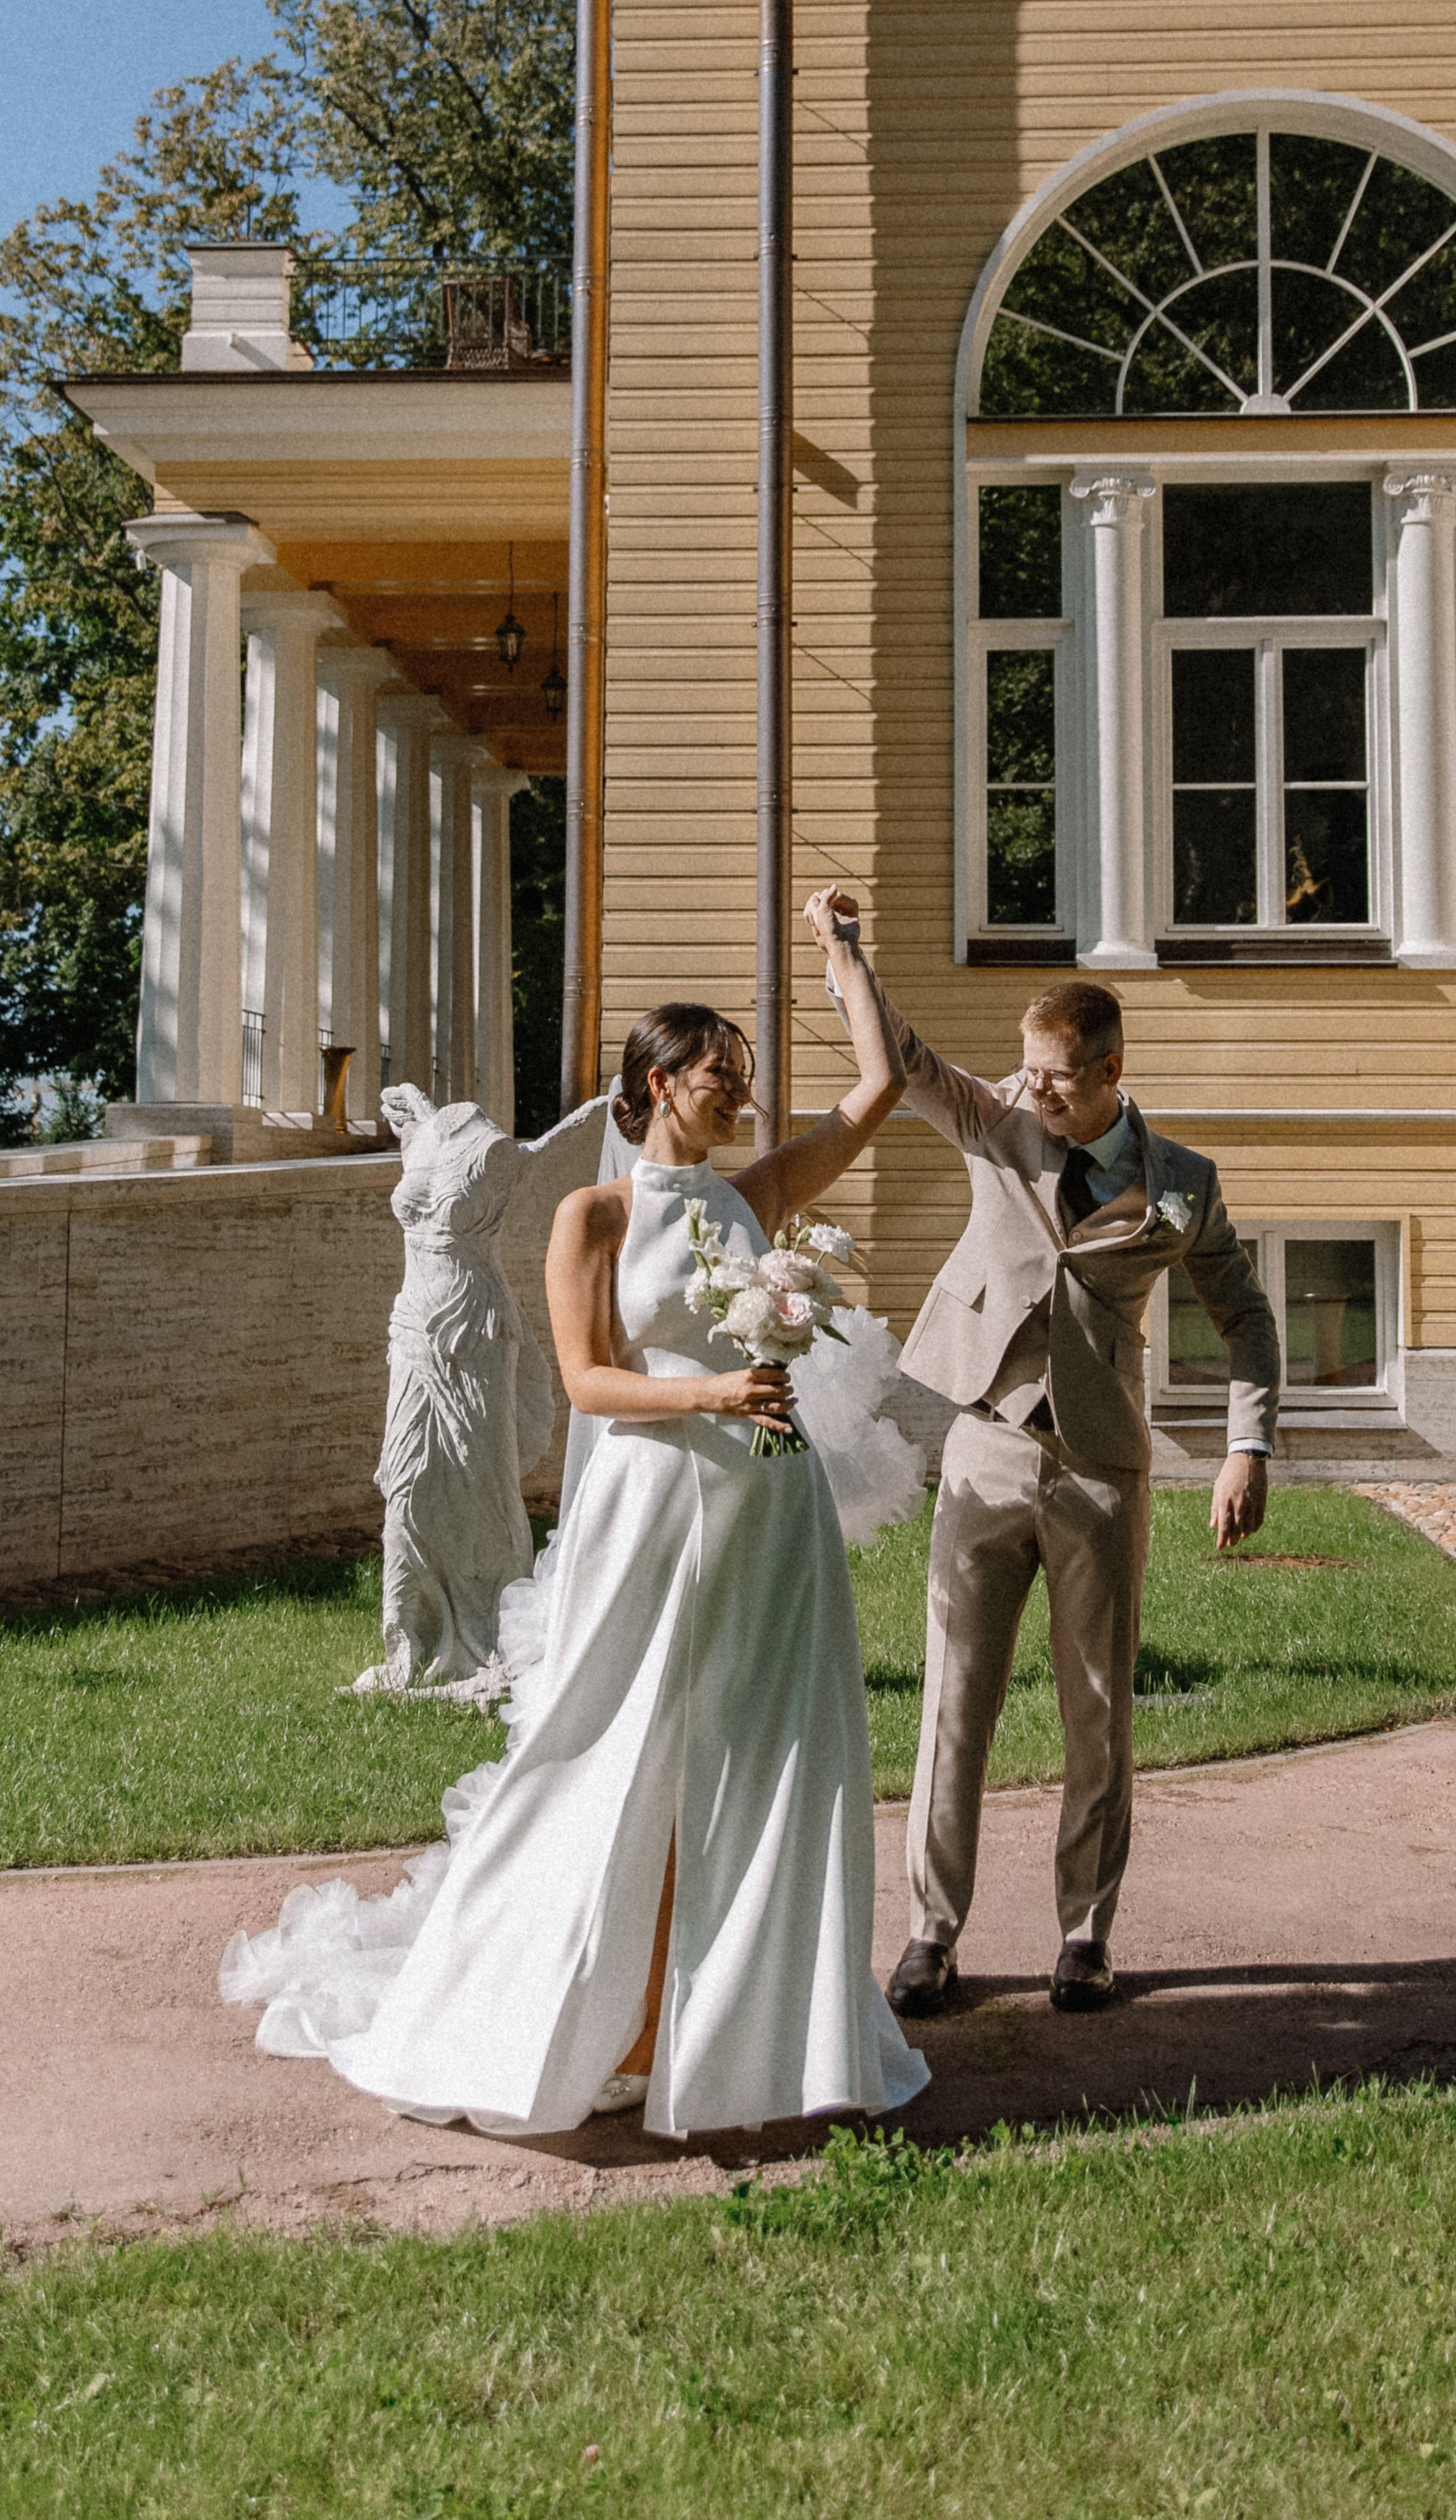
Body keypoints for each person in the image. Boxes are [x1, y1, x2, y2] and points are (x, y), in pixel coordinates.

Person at [222, 890, 929, 2140]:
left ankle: (742, 2029)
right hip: (649, 1510)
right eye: (722, 1076)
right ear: (660, 1084)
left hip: (771, 1513)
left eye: (745, 1079)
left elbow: (874, 1090)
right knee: (605, 1752)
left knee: (770, 1762)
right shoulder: (591, 1216)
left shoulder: (751, 1201)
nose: (741, 1097)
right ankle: (566, 2009)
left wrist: (842, 952)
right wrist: (717, 1383)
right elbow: (589, 1378)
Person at [837, 945, 1280, 2022]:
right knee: (955, 1705)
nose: (1035, 1092)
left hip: (1102, 1467)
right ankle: (931, 1936)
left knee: (1097, 1710)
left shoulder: (1185, 1185)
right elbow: (903, 1055)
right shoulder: (999, 1123)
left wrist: (1247, 1447)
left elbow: (1248, 1320)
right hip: (985, 1447)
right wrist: (847, 954)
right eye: (1028, 1072)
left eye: (1059, 1079)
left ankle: (1086, 1938)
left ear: (1113, 1069)